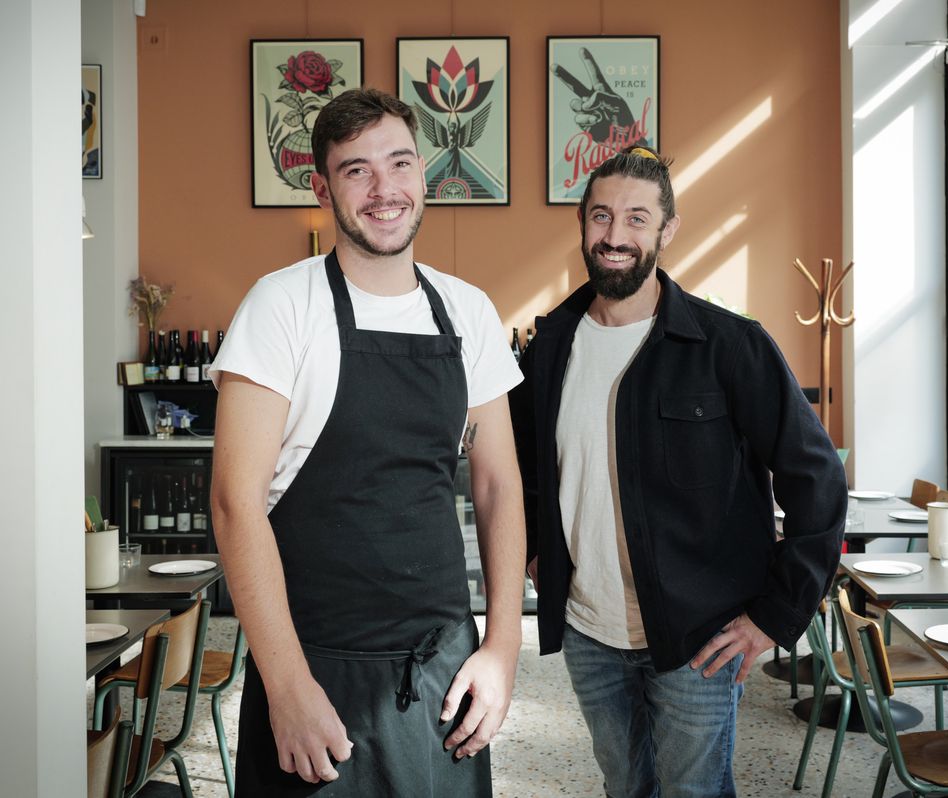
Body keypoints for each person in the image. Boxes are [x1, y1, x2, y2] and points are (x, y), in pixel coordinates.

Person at [210, 88, 525, 796]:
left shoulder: (467, 311)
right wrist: (285, 686)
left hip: (442, 671)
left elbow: (499, 483)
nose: (385, 189)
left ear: (424, 174)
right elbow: (235, 503)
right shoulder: (281, 306)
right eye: (357, 170)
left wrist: (501, 647)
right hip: (315, 666)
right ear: (322, 187)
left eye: (400, 163)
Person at [509, 146, 846, 797]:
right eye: (602, 216)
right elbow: (522, 466)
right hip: (588, 629)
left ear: (667, 230)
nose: (615, 235)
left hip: (700, 636)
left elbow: (819, 481)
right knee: (625, 786)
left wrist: (777, 616)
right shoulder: (549, 345)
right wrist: (535, 550)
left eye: (637, 218)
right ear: (583, 224)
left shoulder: (729, 346)